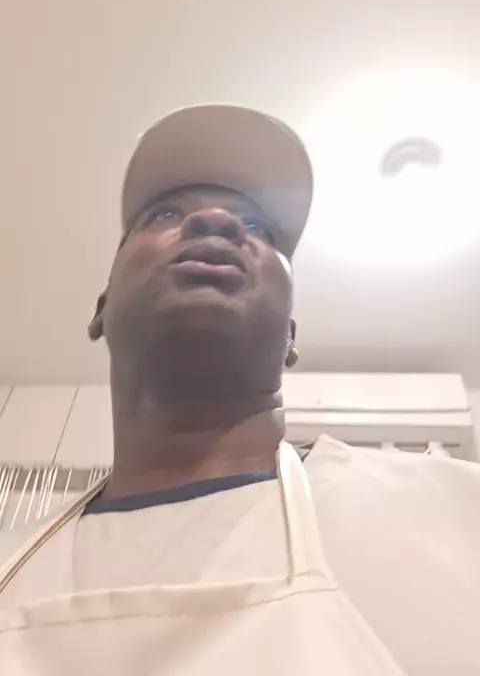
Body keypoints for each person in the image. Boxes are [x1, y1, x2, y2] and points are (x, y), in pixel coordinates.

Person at [0, 104, 479, 675]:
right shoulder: (10, 563)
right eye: (166, 213)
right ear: (101, 310)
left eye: (257, 227)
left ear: (291, 336)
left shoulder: (454, 509)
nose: (216, 222)